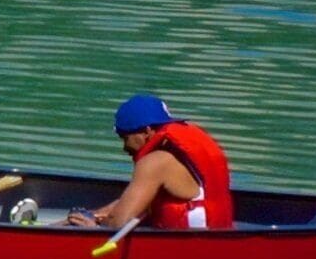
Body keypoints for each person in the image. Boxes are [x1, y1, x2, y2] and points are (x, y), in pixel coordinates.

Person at [77, 95, 235, 233]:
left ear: (146, 131)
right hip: (218, 232)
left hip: (192, 248)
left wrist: (93, 227)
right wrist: (94, 215)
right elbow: (131, 202)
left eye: (125, 137)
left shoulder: (155, 163)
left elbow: (118, 224)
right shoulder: (179, 154)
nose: (124, 147)